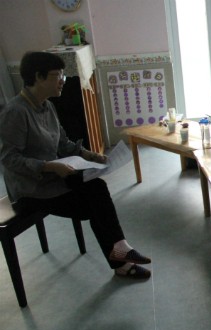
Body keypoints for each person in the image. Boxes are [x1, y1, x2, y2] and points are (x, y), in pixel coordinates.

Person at [0, 51, 151, 279]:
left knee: (97, 188)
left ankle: (120, 249)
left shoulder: (47, 107)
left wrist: (92, 155)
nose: (63, 81)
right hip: (30, 190)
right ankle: (120, 259)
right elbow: (9, 159)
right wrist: (49, 166)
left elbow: (63, 143)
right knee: (94, 206)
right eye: (58, 75)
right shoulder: (16, 112)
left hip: (53, 178)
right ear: (38, 77)